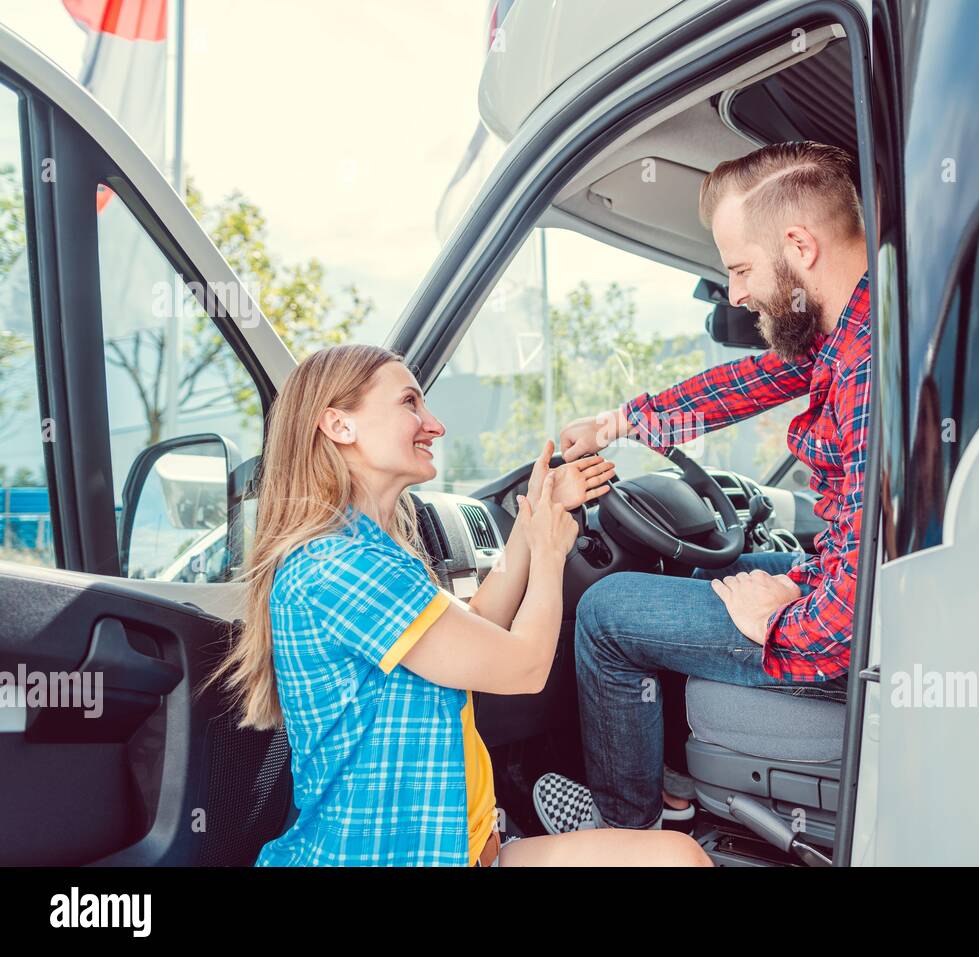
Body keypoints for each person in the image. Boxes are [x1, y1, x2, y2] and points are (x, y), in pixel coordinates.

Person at [208, 343, 711, 867]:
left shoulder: (372, 553)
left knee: (677, 857)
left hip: (470, 850)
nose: (435, 425)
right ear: (339, 425)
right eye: (410, 403)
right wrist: (547, 551)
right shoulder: (338, 566)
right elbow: (523, 667)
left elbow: (474, 628)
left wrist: (534, 516)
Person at [534, 141, 871, 833]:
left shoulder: (867, 371)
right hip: (844, 583)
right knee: (704, 569)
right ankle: (678, 791)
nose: (738, 293)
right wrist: (618, 424)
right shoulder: (855, 332)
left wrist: (775, 619)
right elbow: (739, 387)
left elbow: (846, 628)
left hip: (859, 633)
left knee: (605, 612)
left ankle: (630, 832)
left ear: (799, 246)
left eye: (742, 268)